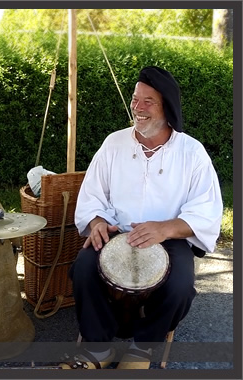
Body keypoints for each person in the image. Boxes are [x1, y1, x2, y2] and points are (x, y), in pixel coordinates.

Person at [61, 66, 223, 369]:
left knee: (180, 287)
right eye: (136, 99)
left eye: (149, 101)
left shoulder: (192, 152)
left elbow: (207, 209)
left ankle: (142, 348)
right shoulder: (114, 143)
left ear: (167, 108)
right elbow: (92, 193)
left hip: (169, 239)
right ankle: (98, 349)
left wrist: (166, 228)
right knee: (83, 269)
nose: (138, 107)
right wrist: (96, 222)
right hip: (116, 232)